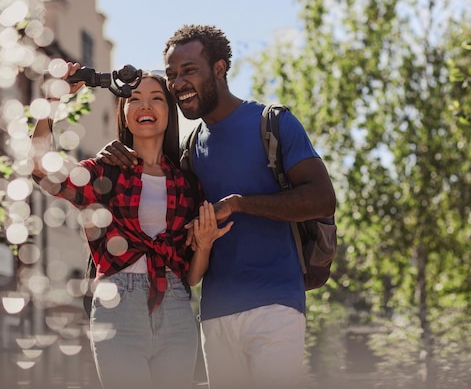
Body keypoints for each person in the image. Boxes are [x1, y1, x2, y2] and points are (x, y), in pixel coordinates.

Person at [98, 25, 337, 389]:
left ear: (220, 69)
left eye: (189, 71)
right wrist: (111, 153)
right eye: (172, 74)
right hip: (213, 314)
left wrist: (240, 204)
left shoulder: (271, 123)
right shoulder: (190, 149)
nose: (178, 83)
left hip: (276, 304)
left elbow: (322, 198)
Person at [31, 62, 232, 389]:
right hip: (117, 307)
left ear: (169, 112)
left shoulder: (188, 185)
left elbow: (192, 276)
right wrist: (53, 99)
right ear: (124, 112)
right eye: (135, 99)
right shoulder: (103, 172)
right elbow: (41, 170)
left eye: (156, 98)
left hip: (177, 310)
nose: (146, 105)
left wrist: (206, 242)